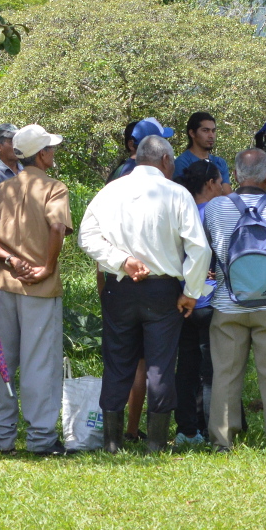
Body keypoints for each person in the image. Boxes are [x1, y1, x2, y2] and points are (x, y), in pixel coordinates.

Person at [80, 133, 210, 453]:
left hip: (119, 287)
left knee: (117, 362)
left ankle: (112, 442)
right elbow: (199, 248)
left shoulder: (110, 191)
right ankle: (155, 444)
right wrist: (192, 291)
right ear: (165, 160)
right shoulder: (177, 194)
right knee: (160, 365)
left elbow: (86, 236)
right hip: (163, 290)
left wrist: (121, 261)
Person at [0, 123, 74, 455]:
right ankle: (40, 438)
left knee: (2, 360)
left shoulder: (3, 189)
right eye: (50, 148)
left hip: (3, 284)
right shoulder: (55, 188)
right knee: (40, 363)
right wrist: (46, 266)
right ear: (43, 154)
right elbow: (57, 227)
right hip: (40, 287)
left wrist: (9, 258)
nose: (53, 153)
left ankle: (2, 437)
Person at [203, 148, 266, 450]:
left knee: (225, 375)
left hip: (227, 304)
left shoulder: (216, 207)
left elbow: (209, 250)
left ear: (235, 175)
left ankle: (222, 440)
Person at [173, 159, 225, 444]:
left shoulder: (180, 211)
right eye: (219, 183)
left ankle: (185, 428)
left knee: (186, 365)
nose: (222, 188)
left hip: (180, 296)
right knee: (210, 369)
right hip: (207, 298)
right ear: (209, 184)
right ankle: (209, 427)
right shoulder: (215, 213)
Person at [175, 111, 230, 186]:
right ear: (192, 133)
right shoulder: (182, 162)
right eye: (205, 130)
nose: (211, 136)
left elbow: (227, 193)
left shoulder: (220, 162)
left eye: (213, 131)